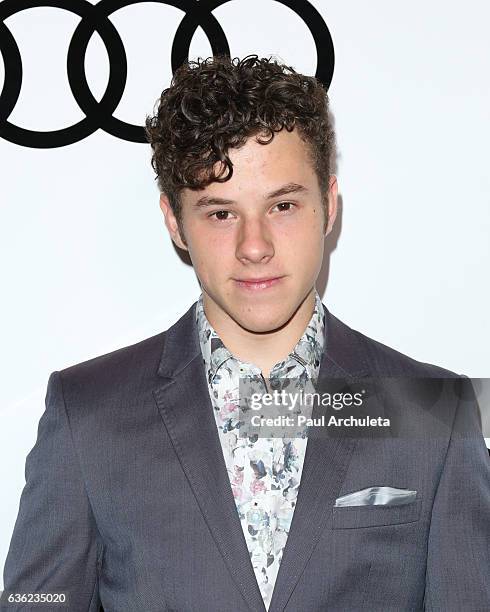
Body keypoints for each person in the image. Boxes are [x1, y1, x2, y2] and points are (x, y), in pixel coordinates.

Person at [1, 55, 489, 612]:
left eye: (282, 205)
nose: (254, 247)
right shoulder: (86, 413)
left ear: (328, 204)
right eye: (220, 214)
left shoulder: (434, 413)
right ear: (173, 221)